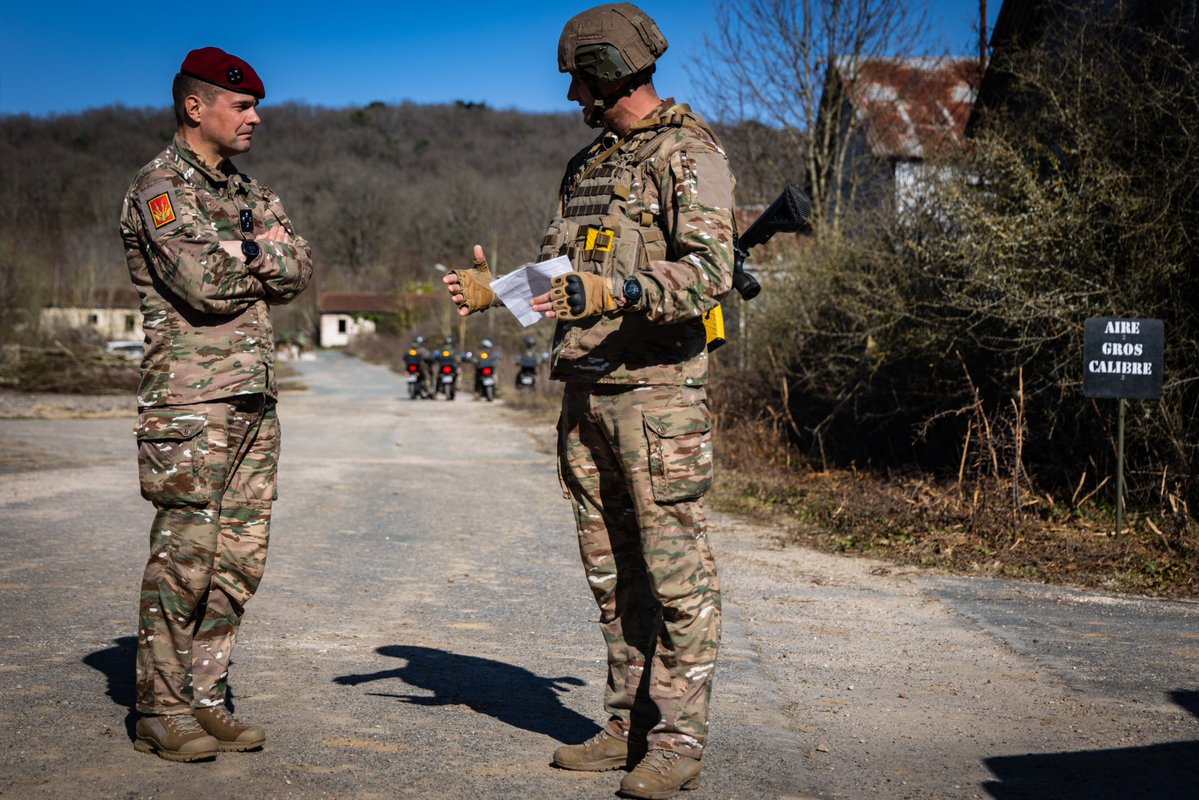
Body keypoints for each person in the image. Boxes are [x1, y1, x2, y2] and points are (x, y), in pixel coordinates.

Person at [443, 4, 735, 797]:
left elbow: (708, 271)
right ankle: (626, 722)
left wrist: (620, 288)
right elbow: (559, 280)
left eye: (579, 77)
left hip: (656, 398)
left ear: (608, 70)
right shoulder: (587, 165)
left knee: (674, 573)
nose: (573, 93)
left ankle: (676, 739)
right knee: (611, 576)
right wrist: (495, 291)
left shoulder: (689, 153)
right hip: (586, 391)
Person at [119, 46, 313, 762]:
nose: (255, 117)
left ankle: (206, 695)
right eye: (242, 105)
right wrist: (260, 252)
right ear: (195, 107)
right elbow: (199, 282)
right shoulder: (161, 186)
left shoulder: (250, 192)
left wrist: (248, 250)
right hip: (190, 398)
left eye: (255, 105)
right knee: (187, 555)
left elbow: (300, 269)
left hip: (253, 393)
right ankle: (159, 708)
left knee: (239, 558)